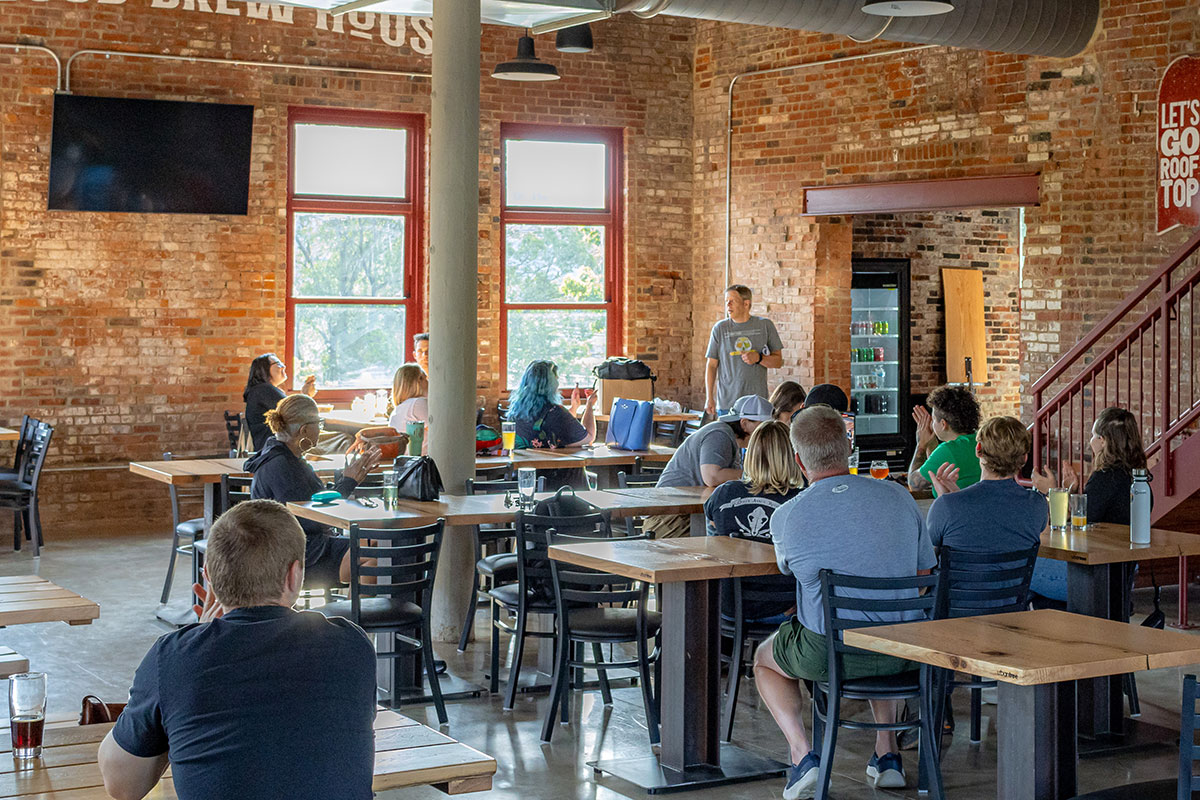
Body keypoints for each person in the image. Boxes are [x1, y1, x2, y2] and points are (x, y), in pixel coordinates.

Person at [98, 500, 376, 800]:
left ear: (209, 577)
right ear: (294, 576)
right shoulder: (353, 647)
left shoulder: (174, 658)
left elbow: (122, 785)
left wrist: (196, 642)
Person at [754, 405, 935, 798]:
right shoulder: (900, 497)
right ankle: (886, 755)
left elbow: (791, 571)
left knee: (764, 659)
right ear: (849, 447)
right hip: (904, 648)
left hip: (828, 653)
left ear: (799, 460)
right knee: (875, 624)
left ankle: (804, 757)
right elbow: (924, 577)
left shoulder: (788, 516)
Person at [243, 395, 381, 586]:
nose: (320, 429)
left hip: (297, 546)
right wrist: (349, 481)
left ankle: (355, 612)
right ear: (304, 430)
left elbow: (315, 503)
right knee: (368, 556)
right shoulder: (283, 466)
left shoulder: (279, 455)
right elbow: (312, 516)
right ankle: (357, 615)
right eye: (319, 424)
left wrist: (348, 479)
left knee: (371, 543)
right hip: (296, 556)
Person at [1030, 407, 1150, 602]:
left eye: (1093, 435)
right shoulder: (1138, 479)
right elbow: (1094, 514)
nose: (1090, 441)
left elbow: (1080, 524)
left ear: (1102, 441)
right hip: (1124, 571)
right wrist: (1071, 492)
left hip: (1095, 574)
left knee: (1018, 566)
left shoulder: (1105, 477)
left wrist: (1052, 491)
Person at [704, 419, 802, 620]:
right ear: (792, 456)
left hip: (728, 607)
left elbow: (712, 534)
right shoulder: (802, 501)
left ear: (750, 455)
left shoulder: (724, 494)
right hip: (783, 607)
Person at [645, 394, 772, 539]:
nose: (765, 432)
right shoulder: (719, 434)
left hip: (686, 516)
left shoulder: (731, 438)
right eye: (762, 426)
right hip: (668, 521)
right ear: (744, 423)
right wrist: (758, 474)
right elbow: (712, 477)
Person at [507, 360, 597, 489]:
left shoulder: (515, 412)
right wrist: (589, 405)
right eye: (556, 379)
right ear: (550, 384)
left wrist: (573, 408)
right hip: (557, 482)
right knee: (583, 470)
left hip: (524, 479)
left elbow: (552, 427)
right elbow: (588, 437)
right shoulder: (555, 411)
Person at [704, 285, 784, 416]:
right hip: (727, 403)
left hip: (757, 404)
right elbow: (711, 365)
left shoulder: (764, 325)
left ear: (746, 304)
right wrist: (709, 397)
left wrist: (759, 358)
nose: (728, 305)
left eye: (732, 301)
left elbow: (778, 362)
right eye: (726, 301)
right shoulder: (720, 328)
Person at [907, 385, 982, 495]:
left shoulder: (948, 450)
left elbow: (914, 485)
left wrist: (921, 444)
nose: (932, 425)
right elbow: (937, 471)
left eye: (933, 420)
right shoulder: (980, 441)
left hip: (954, 510)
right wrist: (930, 443)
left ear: (943, 424)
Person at [243, 353, 316, 452]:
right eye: (278, 364)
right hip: (278, 447)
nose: (284, 366)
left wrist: (305, 394)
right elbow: (298, 411)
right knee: (341, 438)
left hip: (278, 443)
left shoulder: (261, 390)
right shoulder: (264, 390)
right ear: (264, 369)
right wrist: (306, 394)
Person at [388, 363, 429, 453]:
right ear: (418, 382)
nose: (428, 382)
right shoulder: (418, 403)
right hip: (420, 463)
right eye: (425, 378)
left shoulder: (401, 408)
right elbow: (439, 429)